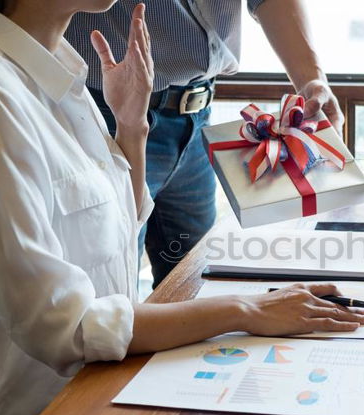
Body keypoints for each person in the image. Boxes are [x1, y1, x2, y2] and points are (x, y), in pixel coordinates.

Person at [0, 0, 364, 415]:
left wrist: (131, 126)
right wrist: (248, 309)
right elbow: (63, 327)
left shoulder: (57, 74)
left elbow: (114, 245)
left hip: (77, 399)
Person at [65, 0, 344, 288]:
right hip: (104, 110)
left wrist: (311, 80)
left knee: (193, 284)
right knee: (110, 290)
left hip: (197, 120)